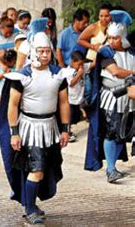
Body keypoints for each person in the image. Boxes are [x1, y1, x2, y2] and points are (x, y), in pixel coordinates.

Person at [0, 20, 70, 225]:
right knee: (36, 170)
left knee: (44, 170)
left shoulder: (58, 74)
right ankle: (29, 209)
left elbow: (63, 103)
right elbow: (12, 106)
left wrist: (65, 129)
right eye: (41, 51)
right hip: (30, 128)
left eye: (48, 51)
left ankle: (32, 204)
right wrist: (14, 132)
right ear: (33, 51)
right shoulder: (22, 76)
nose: (45, 55)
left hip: (50, 128)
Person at [84, 10, 134, 183]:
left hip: (130, 96)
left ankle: (113, 167)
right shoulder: (106, 52)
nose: (112, 41)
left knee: (124, 133)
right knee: (111, 132)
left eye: (116, 38)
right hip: (112, 97)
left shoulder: (132, 52)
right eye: (110, 37)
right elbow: (116, 72)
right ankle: (110, 169)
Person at [61, 51, 87, 142]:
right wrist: (79, 74)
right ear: (72, 61)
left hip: (78, 99)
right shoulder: (68, 72)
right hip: (70, 99)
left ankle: (68, 130)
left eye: (82, 64)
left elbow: (92, 64)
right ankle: (66, 131)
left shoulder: (82, 68)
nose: (81, 67)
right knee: (69, 117)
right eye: (79, 64)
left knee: (75, 117)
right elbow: (71, 83)